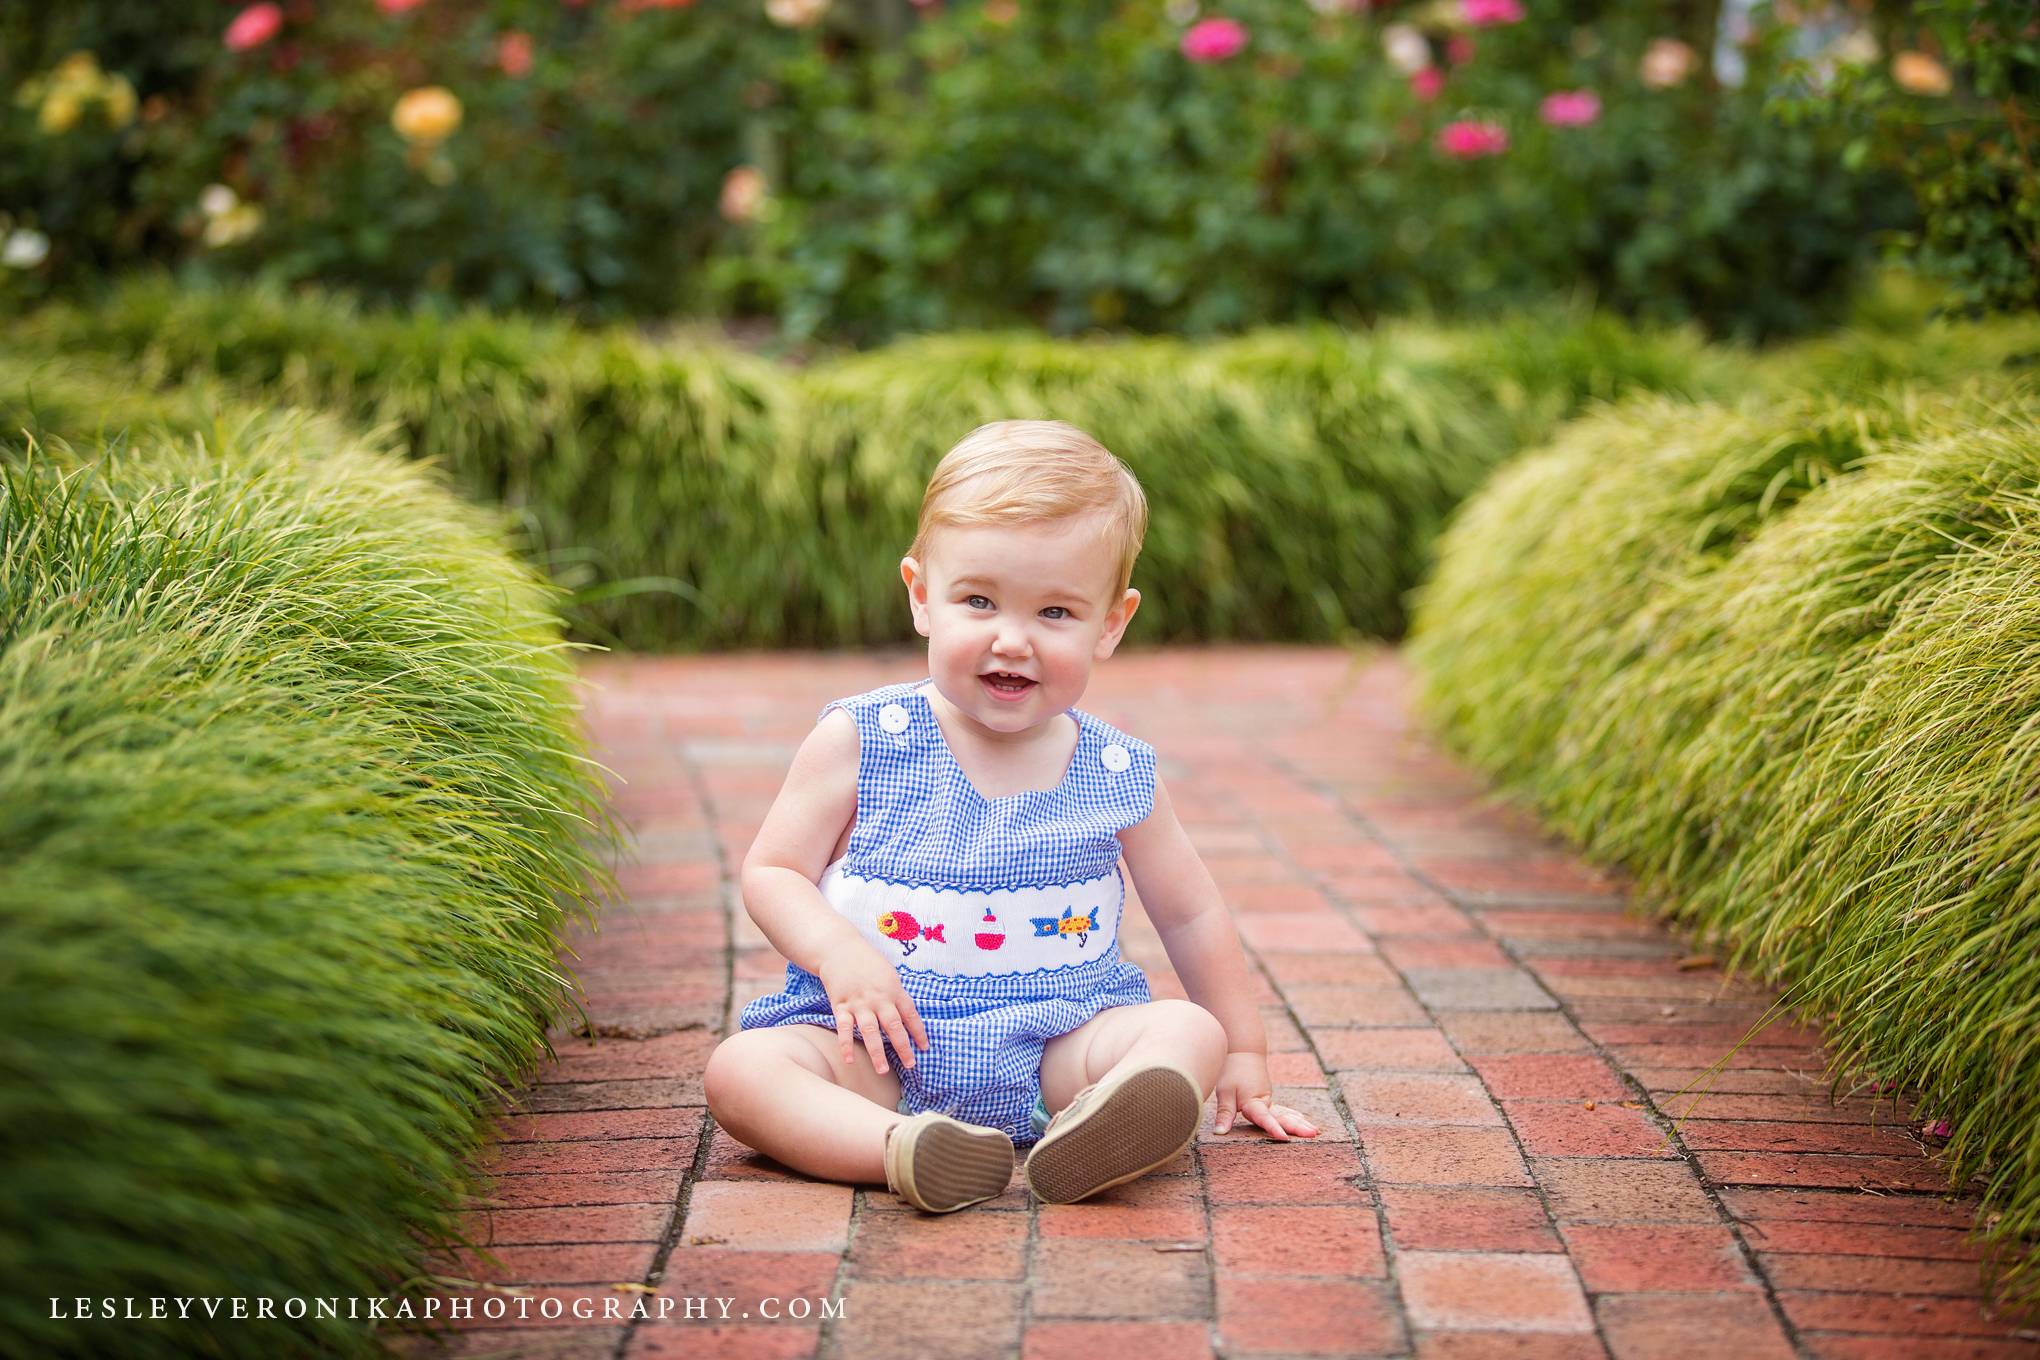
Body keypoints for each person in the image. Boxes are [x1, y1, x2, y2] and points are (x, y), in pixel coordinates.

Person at [702, 418, 1319, 1213]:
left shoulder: (1115, 770)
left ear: (1112, 624)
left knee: (1185, 1032)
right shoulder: (864, 739)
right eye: (980, 601)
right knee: (743, 1071)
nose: (1012, 639)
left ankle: (1099, 1130)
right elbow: (773, 871)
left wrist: (1241, 1049)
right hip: (883, 1044)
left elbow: (1192, 913)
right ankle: (904, 1149)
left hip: (1057, 1044)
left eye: (1055, 613)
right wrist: (836, 955)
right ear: (923, 596)